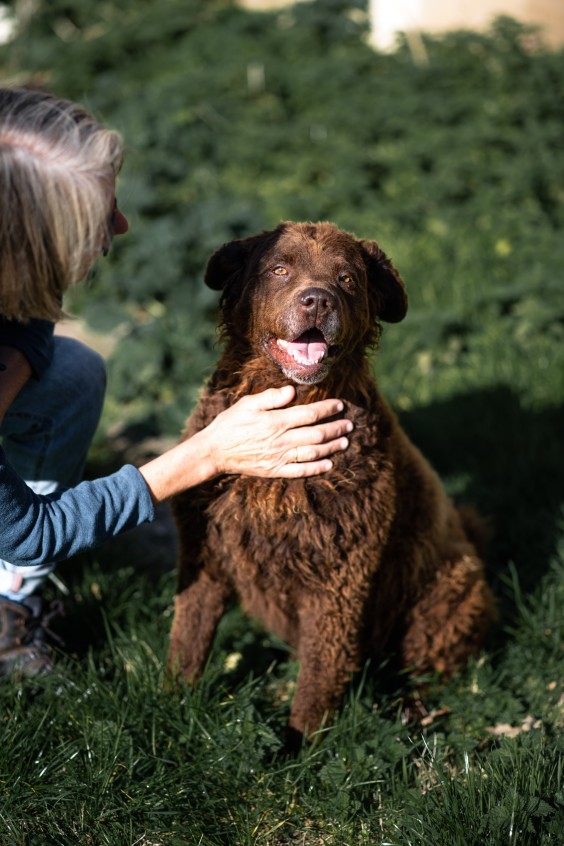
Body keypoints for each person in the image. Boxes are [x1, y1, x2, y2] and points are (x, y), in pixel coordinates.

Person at [0, 87, 352, 677]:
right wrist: (208, 453)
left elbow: (29, 318)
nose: (122, 224)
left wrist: (9, 372)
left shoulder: (14, 261)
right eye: (97, 218)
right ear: (23, 243)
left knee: (74, 372)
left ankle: (7, 596)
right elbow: (31, 532)